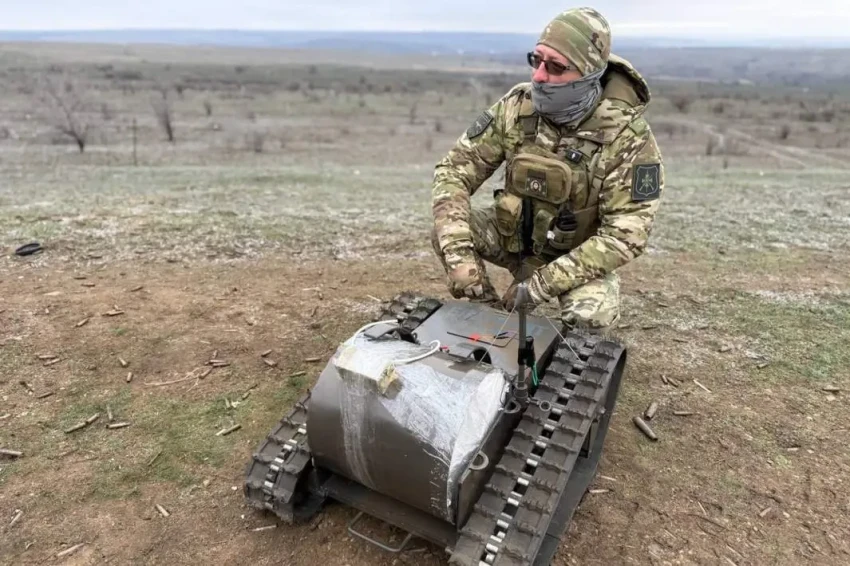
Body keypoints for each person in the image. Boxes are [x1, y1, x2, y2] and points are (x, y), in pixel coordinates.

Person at [430, 7, 665, 334]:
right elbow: (454, 171)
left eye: (556, 67)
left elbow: (626, 235)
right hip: (512, 238)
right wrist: (459, 255)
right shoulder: (516, 107)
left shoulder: (627, 137)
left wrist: (539, 286)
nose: (540, 76)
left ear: (589, 74)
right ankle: (490, 316)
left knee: (591, 317)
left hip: (575, 257)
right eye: (536, 60)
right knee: (450, 232)